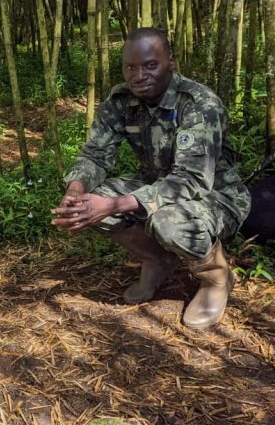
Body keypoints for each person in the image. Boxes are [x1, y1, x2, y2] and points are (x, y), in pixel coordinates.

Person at [50, 28, 250, 329]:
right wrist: (76, 190)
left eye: (150, 65)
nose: (139, 75)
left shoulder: (197, 103)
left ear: (170, 61)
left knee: (167, 221)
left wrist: (115, 204)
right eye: (130, 67)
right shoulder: (120, 101)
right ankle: (158, 260)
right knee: (92, 203)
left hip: (216, 195)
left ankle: (216, 279)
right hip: (159, 184)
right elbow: (94, 155)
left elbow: (192, 179)